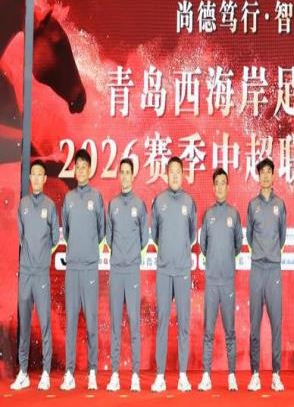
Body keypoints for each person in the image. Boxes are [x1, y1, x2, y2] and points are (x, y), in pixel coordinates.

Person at [11, 160, 59, 391]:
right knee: (25, 324)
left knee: (45, 323)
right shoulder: (23, 205)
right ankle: (23, 372)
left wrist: (41, 258)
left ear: (45, 179)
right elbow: (22, 238)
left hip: (41, 274)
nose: (37, 178)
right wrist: (30, 259)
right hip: (26, 274)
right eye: (34, 175)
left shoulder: (50, 206)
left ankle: (46, 373)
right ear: (30, 178)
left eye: (41, 175)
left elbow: (55, 237)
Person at [151, 156, 197, 392]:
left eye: (179, 171)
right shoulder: (159, 201)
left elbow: (192, 235)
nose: (176, 175)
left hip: (182, 271)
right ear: (167, 174)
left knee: (183, 324)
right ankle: (160, 376)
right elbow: (155, 235)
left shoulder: (189, 202)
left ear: (183, 174)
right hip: (164, 271)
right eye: (172, 171)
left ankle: (182, 376)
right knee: (162, 322)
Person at [60, 149, 105, 391]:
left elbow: (101, 230)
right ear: (74, 170)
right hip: (73, 268)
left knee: (91, 322)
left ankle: (92, 372)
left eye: (84, 167)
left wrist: (87, 250)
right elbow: (66, 232)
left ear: (89, 170)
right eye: (77, 167)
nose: (80, 171)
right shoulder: (68, 199)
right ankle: (69, 373)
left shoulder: (96, 197)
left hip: (89, 268)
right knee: (71, 322)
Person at [197, 168, 243, 391]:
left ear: (228, 186)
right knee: (208, 330)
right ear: (213, 187)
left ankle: (231, 375)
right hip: (212, 281)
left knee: (230, 331)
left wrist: (225, 261)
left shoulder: (234, 215)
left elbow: (237, 245)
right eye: (217, 183)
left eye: (224, 182)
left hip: (227, 282)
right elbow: (203, 245)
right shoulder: (208, 215)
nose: (221, 186)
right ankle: (206, 375)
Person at [105, 158, 148, 392]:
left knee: (133, 322)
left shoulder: (139, 205)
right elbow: (109, 237)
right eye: (121, 172)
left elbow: (144, 238)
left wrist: (131, 256)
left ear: (133, 176)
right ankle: (114, 374)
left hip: (132, 271)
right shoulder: (112, 204)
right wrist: (120, 256)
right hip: (116, 270)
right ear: (119, 175)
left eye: (127, 172)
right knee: (115, 324)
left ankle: (135, 375)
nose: (124, 175)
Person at [246, 158, 287, 392]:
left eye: (269, 172)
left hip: (273, 270)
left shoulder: (280, 205)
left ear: (273, 176)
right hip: (257, 269)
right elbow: (250, 237)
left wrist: (271, 253)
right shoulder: (252, 205)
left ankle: (276, 374)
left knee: (276, 324)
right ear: (258, 176)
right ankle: (254, 373)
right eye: (262, 172)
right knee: (254, 324)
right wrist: (261, 253)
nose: (265, 176)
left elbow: (281, 237)